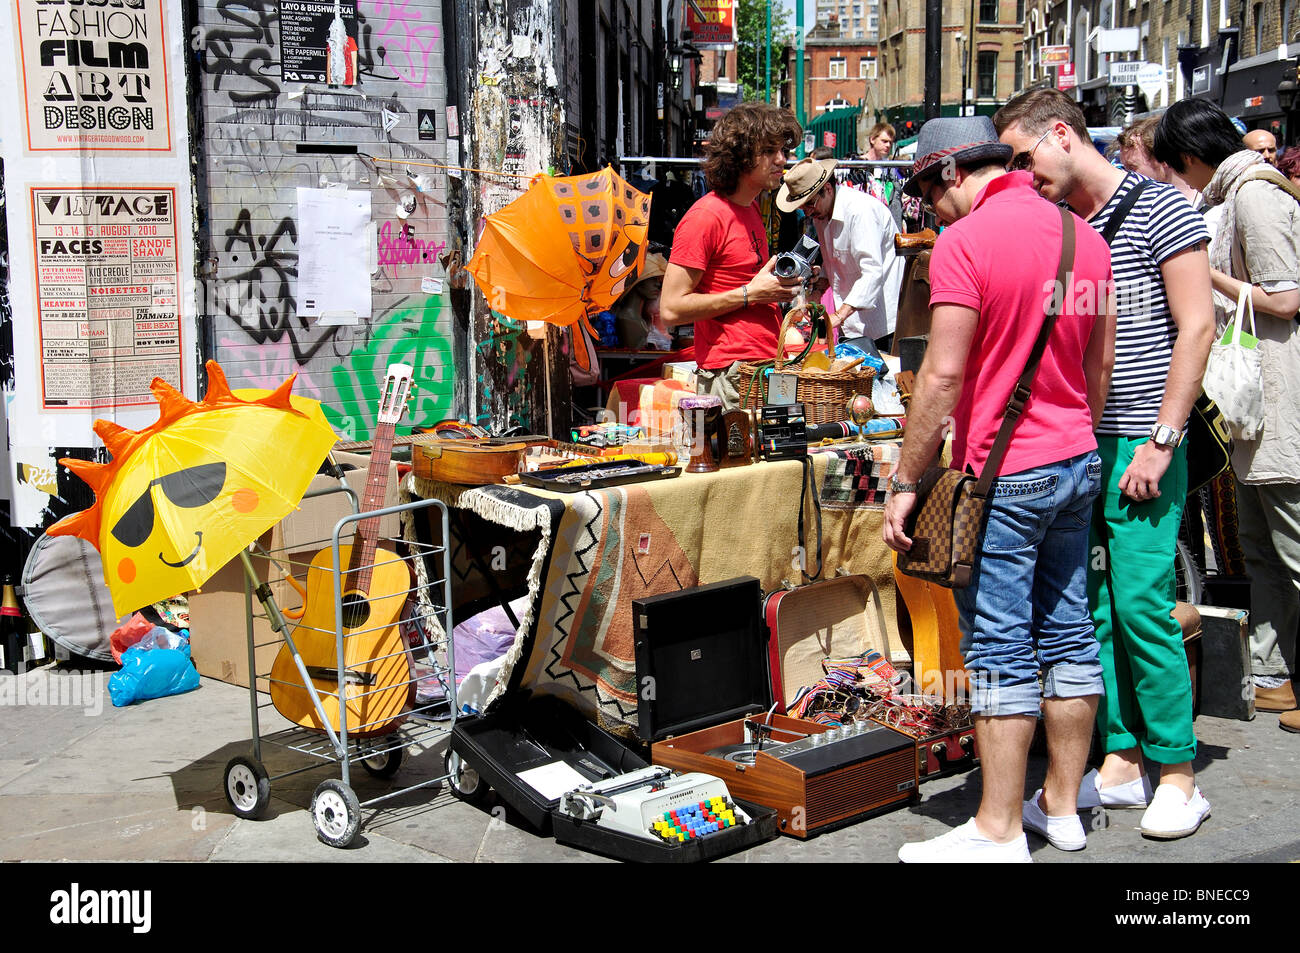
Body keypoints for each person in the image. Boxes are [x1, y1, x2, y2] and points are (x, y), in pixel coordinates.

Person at [884, 116, 1116, 862]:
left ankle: (997, 826)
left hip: (1006, 472)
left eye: (926, 191)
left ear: (950, 173)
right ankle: (1064, 808)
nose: (929, 210)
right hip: (1077, 455)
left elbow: (943, 376)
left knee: (1000, 646)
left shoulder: (967, 242)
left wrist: (905, 479)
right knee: (1071, 630)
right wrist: (1073, 434)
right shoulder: (1086, 237)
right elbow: (1098, 372)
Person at [997, 89, 1216, 841]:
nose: (1022, 175)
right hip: (1085, 443)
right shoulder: (1071, 230)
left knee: (1140, 603)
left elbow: (1197, 327)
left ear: (1061, 134)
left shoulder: (1162, 207)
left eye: (1026, 157)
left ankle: (1179, 772)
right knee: (1089, 608)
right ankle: (1121, 757)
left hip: (1144, 439)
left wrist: (1162, 437)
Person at [1154, 100, 1300, 735]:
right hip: (1260, 406)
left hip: (1281, 396)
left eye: (1174, 167)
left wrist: (1200, 271)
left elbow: (1287, 297)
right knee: (1263, 552)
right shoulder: (1239, 192)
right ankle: (1273, 676)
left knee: (1291, 547)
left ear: (1189, 157)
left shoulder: (1254, 197)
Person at [660, 102, 804, 409]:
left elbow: (749, 284)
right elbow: (671, 309)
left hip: (764, 366)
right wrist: (749, 294)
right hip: (731, 374)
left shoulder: (751, 208)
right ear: (739, 156)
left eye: (783, 151)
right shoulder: (706, 216)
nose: (781, 160)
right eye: (768, 150)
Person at [776, 155, 904, 351]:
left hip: (881, 325)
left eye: (810, 204)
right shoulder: (822, 215)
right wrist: (817, 292)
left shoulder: (861, 212)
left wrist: (838, 316)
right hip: (852, 324)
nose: (808, 212)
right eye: (803, 207)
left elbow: (871, 272)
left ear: (827, 189)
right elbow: (832, 263)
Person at [1115, 117, 1202, 208]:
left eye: (1132, 168)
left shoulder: (1212, 207)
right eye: (1124, 168)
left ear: (1164, 159)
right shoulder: (1138, 211)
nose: (1126, 176)